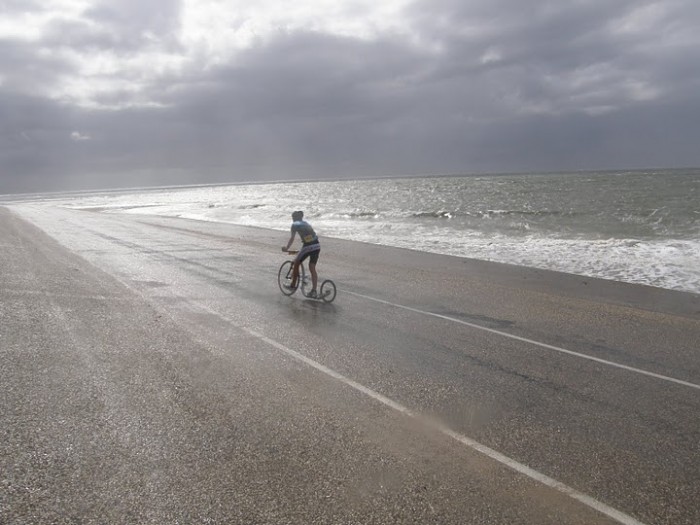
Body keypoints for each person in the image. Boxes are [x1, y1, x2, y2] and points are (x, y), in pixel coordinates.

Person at [282, 210, 321, 298]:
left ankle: (292, 285)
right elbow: (310, 237)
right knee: (312, 268)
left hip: (308, 246)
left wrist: (287, 248)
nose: (292, 220)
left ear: (294, 218)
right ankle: (314, 291)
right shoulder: (306, 223)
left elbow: (292, 238)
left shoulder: (294, 225)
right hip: (317, 246)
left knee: (296, 263)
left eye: (292, 218)